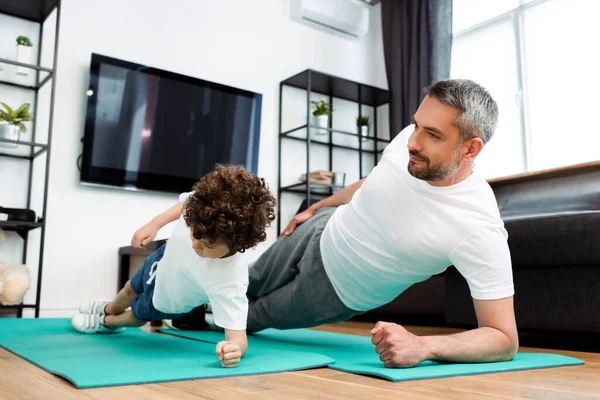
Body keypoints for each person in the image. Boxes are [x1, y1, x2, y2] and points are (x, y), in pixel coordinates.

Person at [244, 79, 519, 368]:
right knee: (243, 279)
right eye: (416, 125)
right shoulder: (412, 144)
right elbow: (377, 180)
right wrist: (318, 207)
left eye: (433, 135)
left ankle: (199, 320)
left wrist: (424, 346)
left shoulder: (479, 225)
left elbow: (504, 338)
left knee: (245, 317)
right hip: (321, 228)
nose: (413, 141)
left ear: (470, 150)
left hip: (333, 291)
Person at [71, 164, 276, 368]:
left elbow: (239, 339)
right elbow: (185, 204)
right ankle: (108, 308)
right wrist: (155, 224)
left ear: (236, 244)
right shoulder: (205, 208)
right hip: (161, 261)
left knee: (136, 314)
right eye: (194, 233)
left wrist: (235, 350)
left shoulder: (231, 280)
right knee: (129, 287)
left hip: (168, 299)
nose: (195, 244)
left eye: (206, 245)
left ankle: (107, 324)